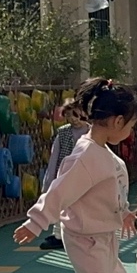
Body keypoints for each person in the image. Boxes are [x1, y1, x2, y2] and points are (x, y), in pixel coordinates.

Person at [15, 79, 137, 273]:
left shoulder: (104, 153)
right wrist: (36, 221)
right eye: (130, 125)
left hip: (104, 234)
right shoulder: (86, 156)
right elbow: (59, 191)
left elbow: (113, 190)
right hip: (84, 237)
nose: (130, 132)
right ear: (117, 121)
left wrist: (123, 212)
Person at [36, 102, 92, 251]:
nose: (73, 119)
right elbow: (54, 157)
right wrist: (49, 180)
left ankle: (82, 233)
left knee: (84, 205)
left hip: (86, 176)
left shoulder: (92, 132)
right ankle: (58, 235)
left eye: (76, 114)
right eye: (68, 116)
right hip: (64, 175)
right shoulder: (63, 133)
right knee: (61, 204)